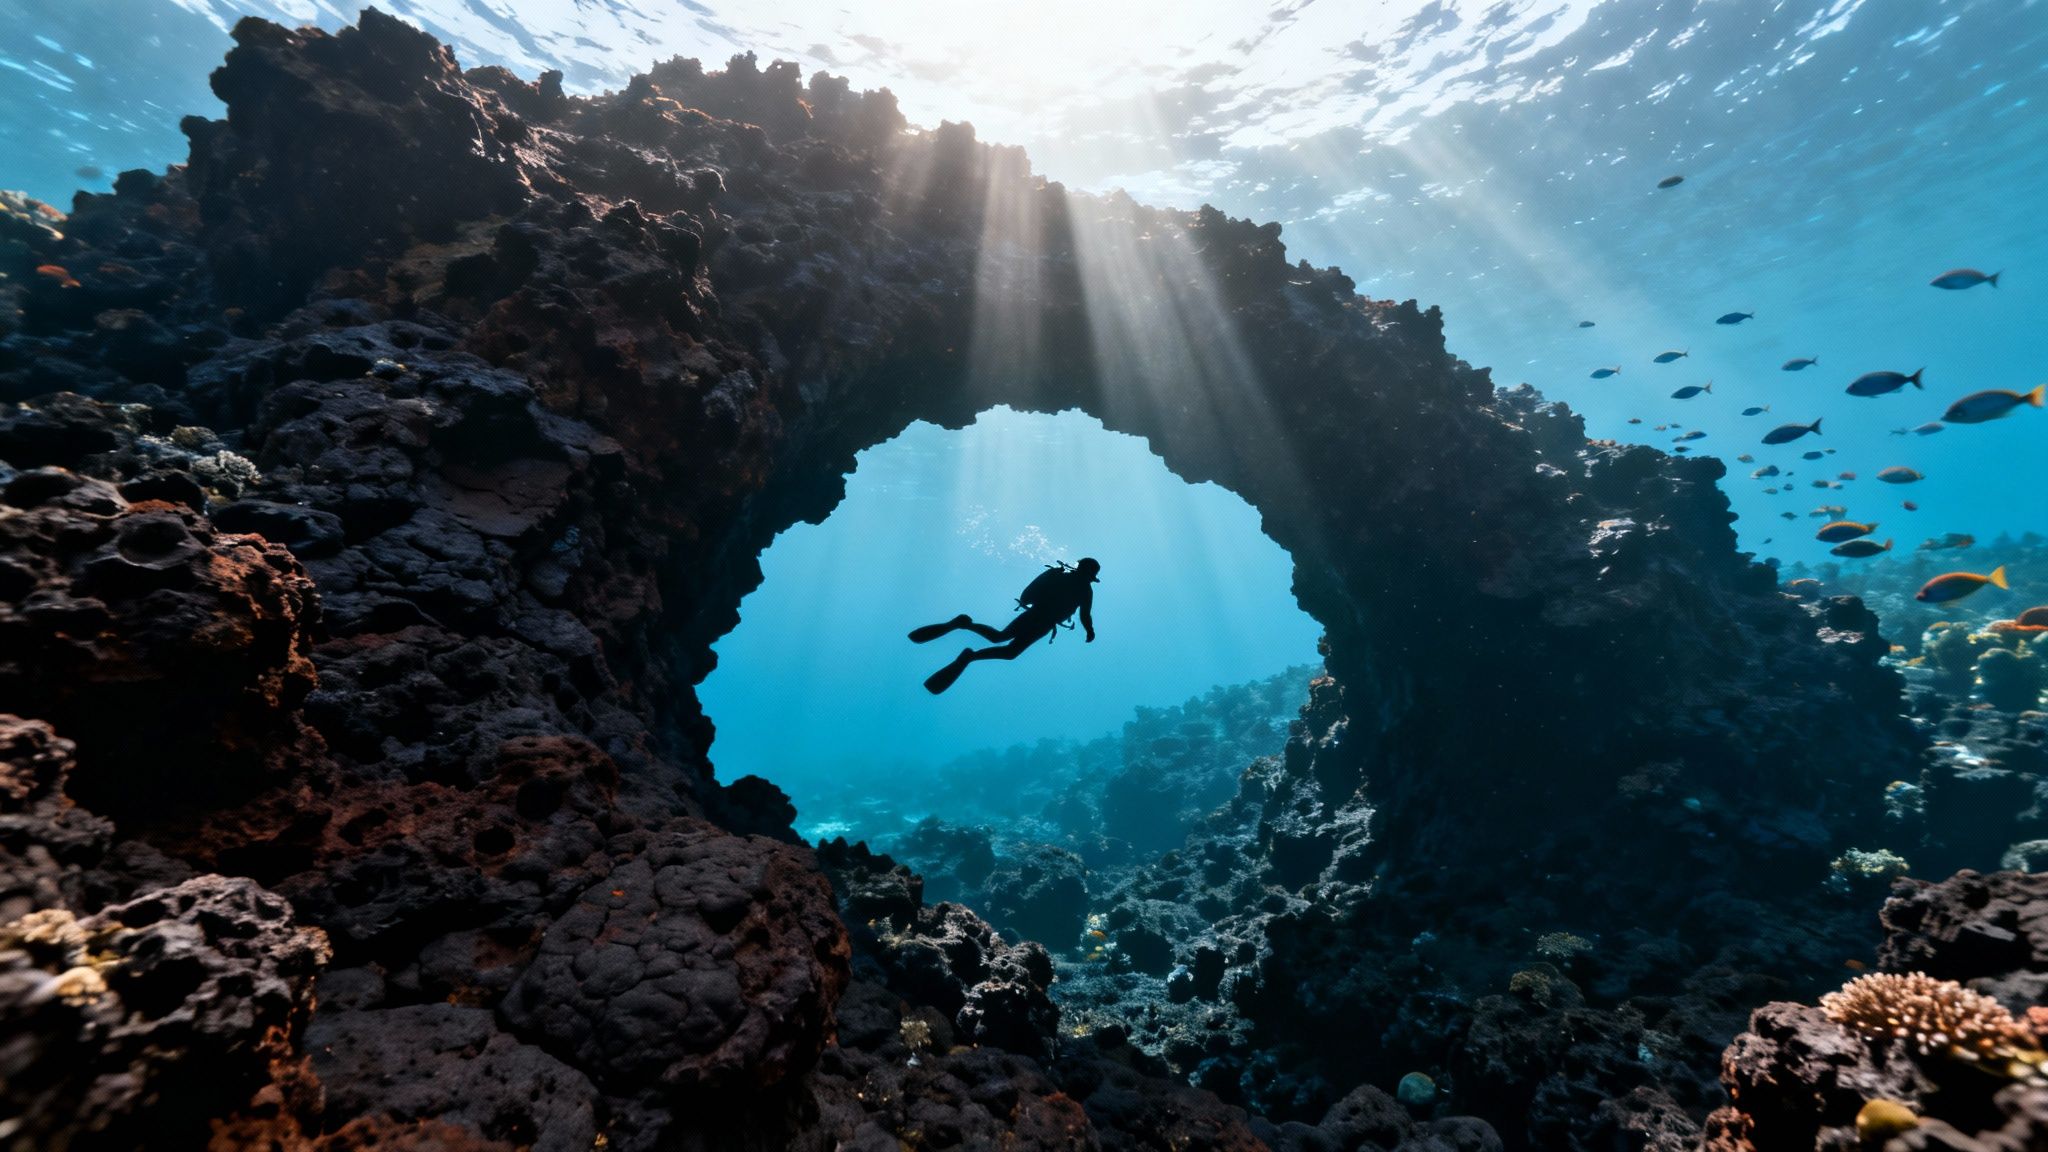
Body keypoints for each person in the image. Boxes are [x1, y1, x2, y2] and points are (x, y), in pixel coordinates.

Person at [909, 557, 1099, 694]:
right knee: (1003, 642)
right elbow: (1085, 614)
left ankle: (969, 649)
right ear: (1090, 574)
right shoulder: (1083, 589)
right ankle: (965, 632)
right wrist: (1089, 630)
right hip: (1039, 618)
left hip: (1042, 621)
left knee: (1006, 648)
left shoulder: (1068, 581)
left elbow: (1084, 614)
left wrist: (1089, 628)